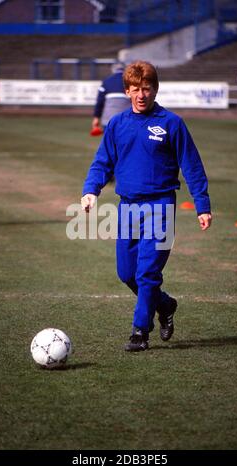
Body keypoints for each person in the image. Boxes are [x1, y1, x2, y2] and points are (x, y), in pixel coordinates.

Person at [82, 61, 212, 352]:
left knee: (147, 274)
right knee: (126, 274)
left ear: (155, 89)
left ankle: (140, 331)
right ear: (127, 91)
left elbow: (192, 166)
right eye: (136, 89)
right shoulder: (117, 124)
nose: (142, 94)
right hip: (127, 207)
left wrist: (202, 205)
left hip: (161, 206)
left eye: (147, 89)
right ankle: (165, 305)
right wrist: (91, 189)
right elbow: (102, 162)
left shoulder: (171, 123)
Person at [92, 61, 131, 131]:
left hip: (108, 120)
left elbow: (99, 102)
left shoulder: (106, 81)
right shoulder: (130, 81)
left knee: (109, 141)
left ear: (113, 69)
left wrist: (96, 117)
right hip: (127, 120)